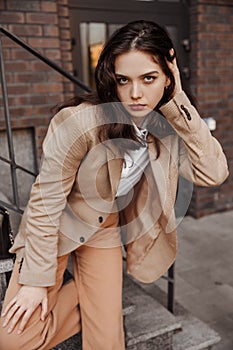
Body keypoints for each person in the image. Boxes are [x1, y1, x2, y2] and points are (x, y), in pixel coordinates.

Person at [0, 20, 229, 350]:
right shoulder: (81, 121)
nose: (135, 93)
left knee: (107, 342)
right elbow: (45, 202)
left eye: (149, 78)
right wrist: (36, 281)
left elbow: (213, 173)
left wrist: (177, 101)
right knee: (14, 339)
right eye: (124, 80)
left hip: (105, 228)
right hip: (59, 224)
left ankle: (99, 292)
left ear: (169, 75)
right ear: (112, 80)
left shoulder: (167, 127)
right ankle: (92, 292)